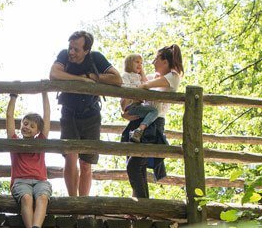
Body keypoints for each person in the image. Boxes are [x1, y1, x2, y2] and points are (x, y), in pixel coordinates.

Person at [49, 30, 122, 197]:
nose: (71, 52)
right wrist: (81, 79)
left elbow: (117, 79)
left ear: (86, 50)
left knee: (86, 163)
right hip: (69, 114)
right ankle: (73, 202)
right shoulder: (64, 56)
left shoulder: (95, 57)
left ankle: (83, 204)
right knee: (70, 157)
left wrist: (92, 76)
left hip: (91, 115)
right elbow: (54, 74)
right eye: (70, 48)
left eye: (76, 49)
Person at [122, 44, 184, 199]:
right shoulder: (152, 77)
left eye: (156, 58)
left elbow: (144, 86)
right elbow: (130, 93)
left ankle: (142, 207)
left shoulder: (173, 77)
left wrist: (141, 85)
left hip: (153, 125)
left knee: (134, 166)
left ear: (165, 62)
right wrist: (126, 111)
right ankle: (140, 210)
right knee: (137, 166)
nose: (152, 62)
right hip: (139, 122)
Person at [6, 92, 52, 228]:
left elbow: (47, 116)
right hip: (20, 181)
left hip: (40, 181)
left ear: (37, 131)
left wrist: (45, 93)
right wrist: (13, 96)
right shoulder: (14, 141)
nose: (27, 127)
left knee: (43, 198)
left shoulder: (41, 141)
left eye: (32, 126)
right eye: (25, 123)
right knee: (26, 198)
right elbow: (9, 116)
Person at [120, 54, 160, 142]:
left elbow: (147, 84)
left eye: (141, 63)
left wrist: (142, 73)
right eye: (137, 62)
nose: (140, 65)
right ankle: (139, 130)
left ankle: (138, 130)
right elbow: (125, 88)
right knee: (154, 111)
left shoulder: (139, 76)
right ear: (129, 63)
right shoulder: (126, 75)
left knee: (153, 111)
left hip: (138, 106)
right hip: (131, 106)